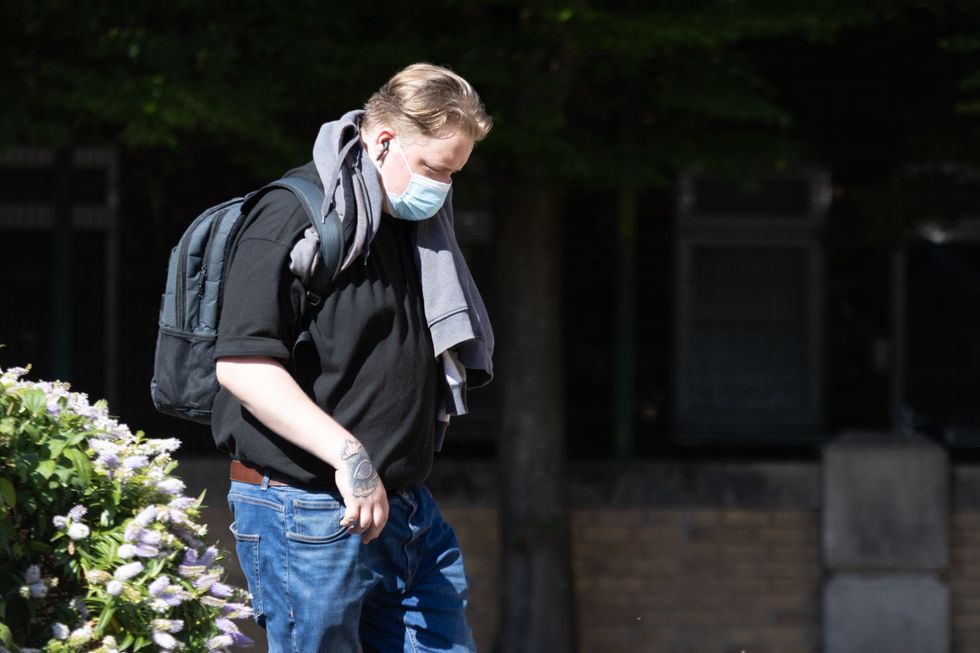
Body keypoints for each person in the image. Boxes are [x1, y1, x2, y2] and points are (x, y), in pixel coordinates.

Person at [211, 63, 494, 653]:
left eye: (454, 174)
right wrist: (351, 457)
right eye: (435, 169)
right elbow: (242, 364)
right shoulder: (291, 215)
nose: (442, 188)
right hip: (308, 511)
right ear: (383, 139)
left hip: (407, 510)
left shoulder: (415, 225)